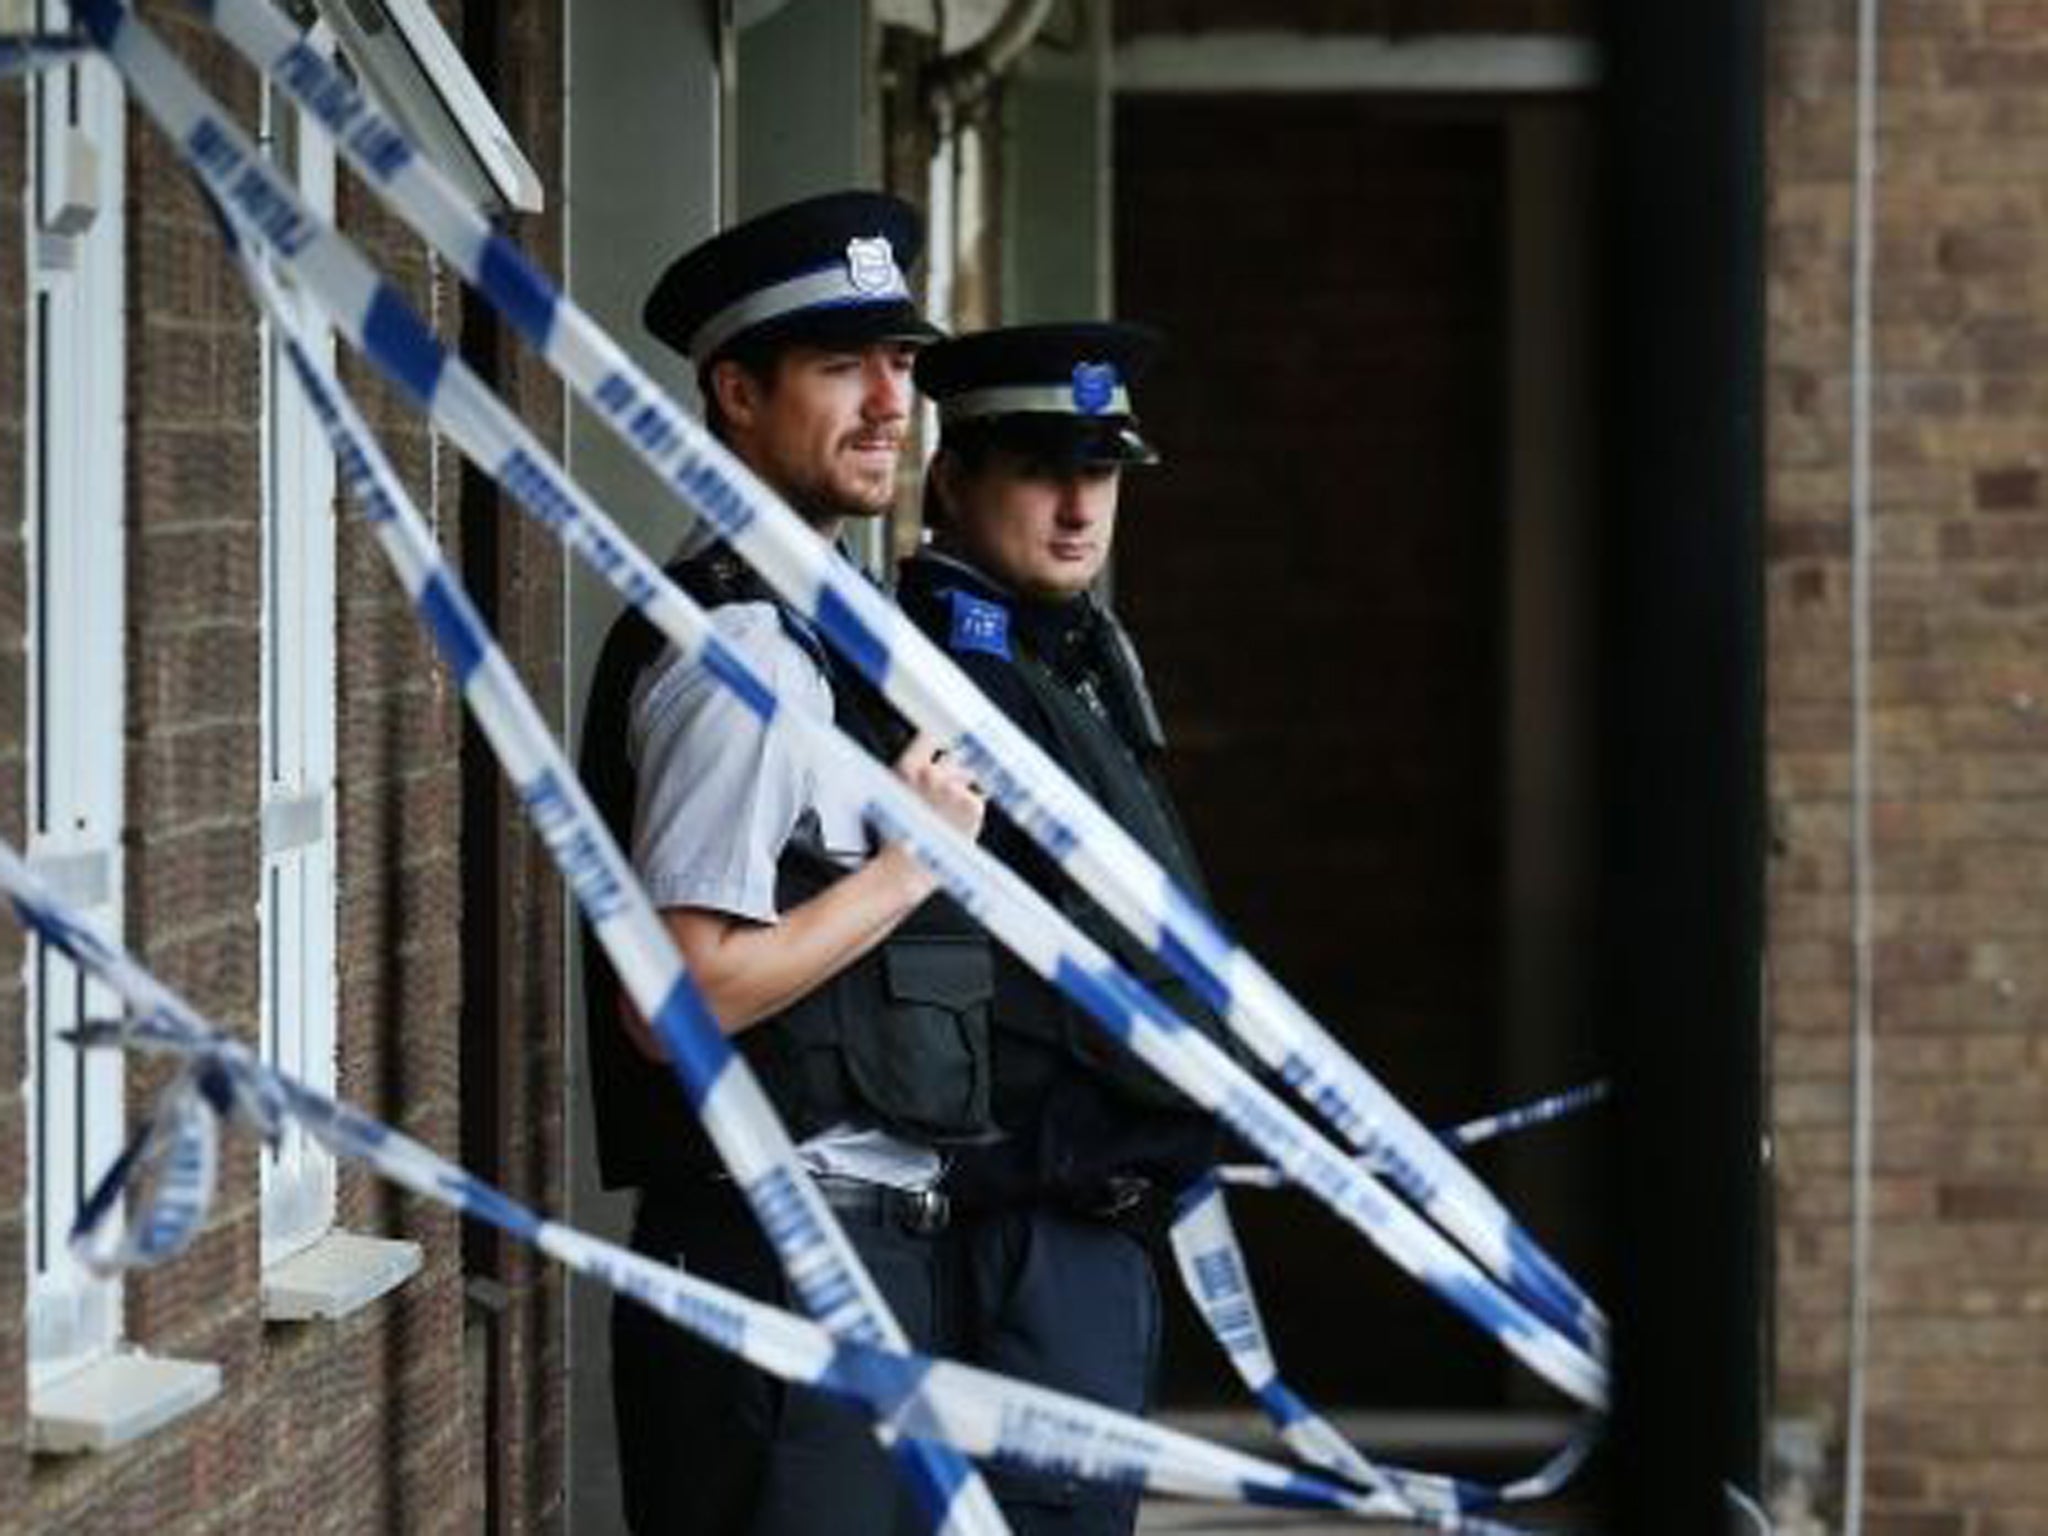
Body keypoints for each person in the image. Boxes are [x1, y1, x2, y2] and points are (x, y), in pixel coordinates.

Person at [578, 191, 992, 1536]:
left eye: (903, 363)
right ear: (737, 396)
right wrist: (905, 871)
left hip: (862, 1252)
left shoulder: (823, 635)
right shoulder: (740, 654)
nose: (889, 401)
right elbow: (674, 1000)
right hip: (782, 1249)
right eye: (841, 367)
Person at [898, 322, 1228, 1536]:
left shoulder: (1066, 652)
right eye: (1043, 471)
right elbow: (1004, 962)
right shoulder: (953, 674)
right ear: (952, 481)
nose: (1080, 507)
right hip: (1019, 1221)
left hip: (1086, 1225)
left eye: (1099, 474)